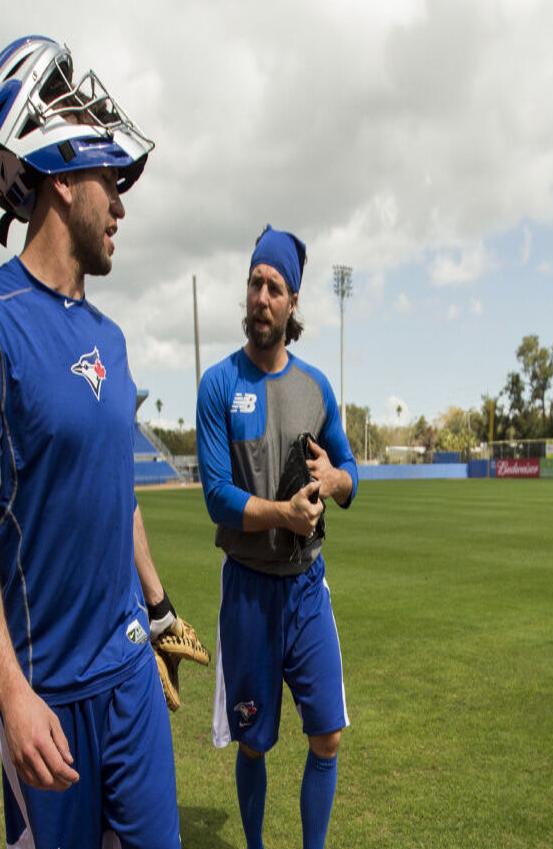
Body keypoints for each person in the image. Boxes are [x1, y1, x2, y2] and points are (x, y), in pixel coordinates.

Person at [0, 36, 186, 847]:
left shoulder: (110, 336)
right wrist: (10, 694)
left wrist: (157, 605)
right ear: (61, 176)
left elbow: (117, 493)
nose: (120, 207)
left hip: (130, 685)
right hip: (46, 703)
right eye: (110, 183)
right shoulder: (2, 321)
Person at [196, 225, 358, 849]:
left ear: (292, 306)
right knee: (255, 742)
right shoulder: (218, 385)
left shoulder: (316, 387)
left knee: (328, 737)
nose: (261, 297)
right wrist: (284, 514)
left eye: (275, 287)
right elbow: (216, 495)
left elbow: (349, 477)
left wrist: (336, 475)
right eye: (254, 283)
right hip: (247, 595)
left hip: (306, 590)